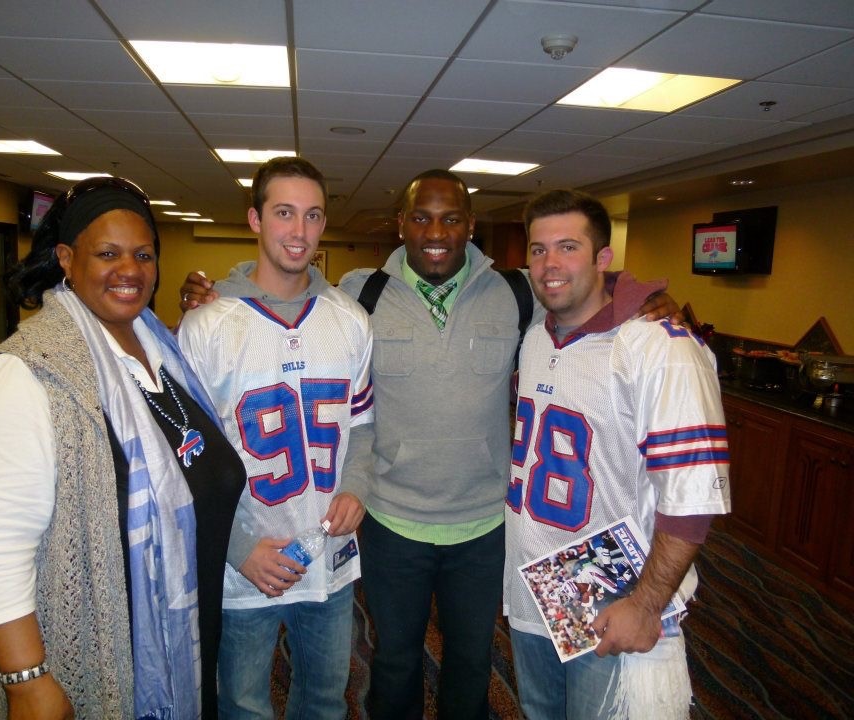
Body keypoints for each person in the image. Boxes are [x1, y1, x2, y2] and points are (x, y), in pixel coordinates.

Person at [180, 169, 678, 720]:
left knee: (471, 661)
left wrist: (643, 295)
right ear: (401, 224)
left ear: (470, 225)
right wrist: (214, 290)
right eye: (421, 218)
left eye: (450, 219)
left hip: (485, 524)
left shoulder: (517, 292)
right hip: (392, 520)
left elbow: (579, 287)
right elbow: (282, 292)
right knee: (394, 661)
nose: (435, 232)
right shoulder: (360, 294)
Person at [0, 177, 245, 719]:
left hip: (182, 639)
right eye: (108, 253)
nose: (129, 269)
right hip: (88, 656)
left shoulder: (162, 353)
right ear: (66, 259)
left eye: (143, 254)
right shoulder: (26, 375)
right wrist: (26, 682)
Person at [503, 189, 731, 719]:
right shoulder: (536, 337)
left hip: (618, 596)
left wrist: (646, 605)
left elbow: (693, 498)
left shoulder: (660, 347)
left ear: (603, 257)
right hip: (538, 588)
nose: (550, 264)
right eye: (538, 250)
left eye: (568, 247)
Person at [176, 157, 374, 719]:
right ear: (255, 219)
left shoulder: (350, 319)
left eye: (312, 215)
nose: (299, 230)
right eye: (284, 213)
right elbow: (185, 457)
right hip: (244, 562)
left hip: (328, 554)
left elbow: (363, 423)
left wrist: (357, 486)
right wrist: (238, 549)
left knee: (326, 701)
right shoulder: (207, 325)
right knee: (243, 708)